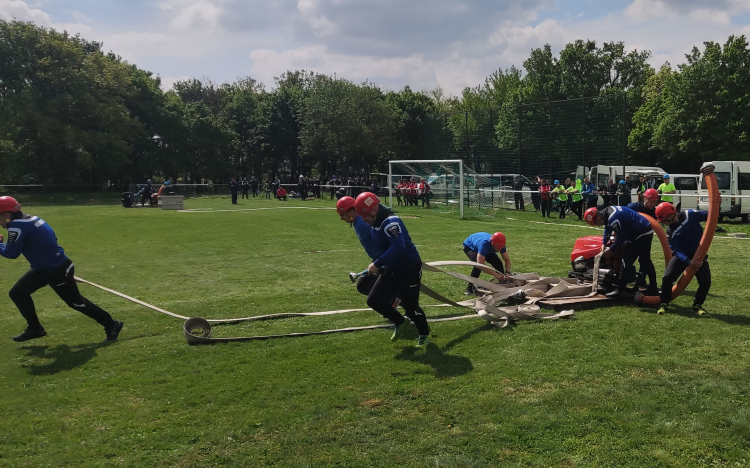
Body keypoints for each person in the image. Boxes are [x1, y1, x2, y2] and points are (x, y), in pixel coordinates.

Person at [0, 196, 123, 342]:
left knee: (76, 302)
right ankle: (35, 328)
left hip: (56, 269)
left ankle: (111, 324)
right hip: (44, 269)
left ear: (7, 215)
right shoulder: (32, 218)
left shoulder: (17, 226)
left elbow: (11, 253)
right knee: (18, 293)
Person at [354, 192, 430, 347]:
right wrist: (379, 263)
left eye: (364, 215)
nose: (362, 219)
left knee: (411, 307)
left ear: (374, 211)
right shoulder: (375, 222)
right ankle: (400, 322)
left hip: (409, 270)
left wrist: (378, 263)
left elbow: (399, 247)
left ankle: (424, 334)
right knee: (374, 300)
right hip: (391, 270)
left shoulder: (390, 222)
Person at [584, 205, 658, 297]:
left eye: (595, 223)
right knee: (645, 260)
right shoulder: (607, 212)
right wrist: (604, 243)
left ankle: (620, 289)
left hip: (639, 232)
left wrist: (611, 250)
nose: (597, 225)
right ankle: (653, 287)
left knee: (626, 259)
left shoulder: (613, 218)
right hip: (644, 229)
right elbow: (608, 227)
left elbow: (621, 237)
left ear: (598, 217)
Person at [654, 202, 712, 315]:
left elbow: (710, 215)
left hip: (699, 255)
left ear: (670, 216)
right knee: (667, 278)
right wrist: (689, 262)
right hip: (682, 257)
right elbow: (677, 250)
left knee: (705, 282)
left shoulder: (690, 214)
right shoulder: (670, 231)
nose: (664, 224)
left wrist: (717, 204)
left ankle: (697, 305)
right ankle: (664, 303)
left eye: (664, 220)